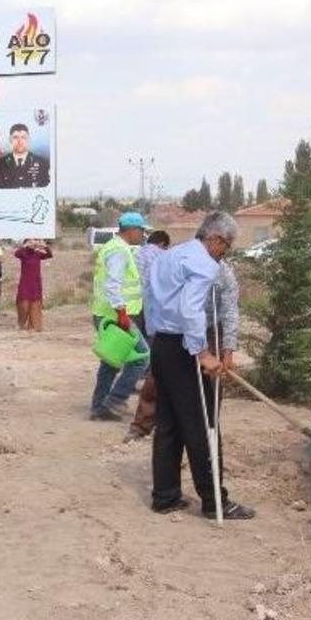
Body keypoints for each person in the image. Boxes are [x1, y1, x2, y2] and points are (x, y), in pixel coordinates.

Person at [145, 211, 255, 520]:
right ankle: (214, 501)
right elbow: (191, 309)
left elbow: (152, 299)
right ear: (217, 239)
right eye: (227, 246)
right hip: (183, 348)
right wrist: (202, 352)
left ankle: (165, 496)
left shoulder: (170, 255)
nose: (225, 253)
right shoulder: (204, 263)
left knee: (168, 424)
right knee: (202, 425)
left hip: (163, 345)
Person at [126, 259, 239, 443]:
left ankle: (207, 430)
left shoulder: (224, 273)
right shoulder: (180, 265)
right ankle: (141, 426)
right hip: (177, 328)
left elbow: (230, 311)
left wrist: (228, 350)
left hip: (209, 328)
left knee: (211, 380)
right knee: (158, 377)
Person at [90, 212, 149, 420]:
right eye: (142, 230)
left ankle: (99, 407)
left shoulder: (114, 247)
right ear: (132, 230)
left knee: (112, 361)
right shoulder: (119, 251)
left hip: (106, 314)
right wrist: (122, 314)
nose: (143, 234)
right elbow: (113, 284)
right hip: (117, 316)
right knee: (142, 358)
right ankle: (115, 401)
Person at [0, 123, 50, 189]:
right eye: (15, 137)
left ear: (28, 139)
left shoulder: (43, 164)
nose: (20, 141)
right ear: (10, 139)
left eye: (23, 137)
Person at [14, 239, 52, 332]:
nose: (32, 243)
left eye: (33, 242)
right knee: (24, 304)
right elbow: (16, 254)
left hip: (35, 283)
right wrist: (24, 246)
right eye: (30, 242)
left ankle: (34, 326)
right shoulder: (23, 254)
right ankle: (21, 324)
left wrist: (44, 245)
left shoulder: (37, 254)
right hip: (25, 282)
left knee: (35, 304)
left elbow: (49, 255)